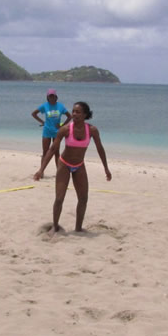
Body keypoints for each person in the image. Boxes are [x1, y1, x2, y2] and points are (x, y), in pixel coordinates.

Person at [34, 102, 111, 233]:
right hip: (64, 164)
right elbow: (53, 149)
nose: (74, 114)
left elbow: (100, 149)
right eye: (73, 111)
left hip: (79, 165)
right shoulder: (65, 129)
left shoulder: (92, 130)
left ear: (85, 114)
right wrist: (41, 170)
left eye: (78, 112)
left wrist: (106, 168)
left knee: (83, 198)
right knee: (59, 199)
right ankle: (55, 226)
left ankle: (78, 228)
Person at [31, 89, 71, 173]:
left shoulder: (60, 106)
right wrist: (42, 122)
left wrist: (62, 125)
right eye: (50, 96)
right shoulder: (45, 106)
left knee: (56, 152)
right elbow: (34, 114)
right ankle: (41, 172)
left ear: (56, 97)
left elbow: (69, 116)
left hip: (57, 132)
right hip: (47, 131)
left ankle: (59, 172)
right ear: (47, 97)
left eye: (53, 96)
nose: (52, 98)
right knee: (45, 152)